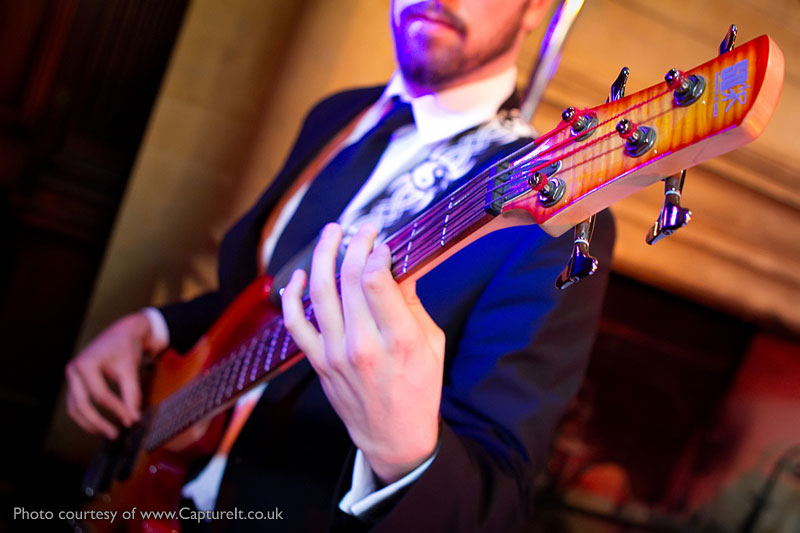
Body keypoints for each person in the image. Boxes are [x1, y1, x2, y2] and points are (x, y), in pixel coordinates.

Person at [65, 0, 615, 530]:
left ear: (536, 7)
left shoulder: (548, 209)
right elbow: (262, 297)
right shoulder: (337, 115)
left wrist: (405, 457)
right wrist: (153, 327)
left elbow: (496, 498)